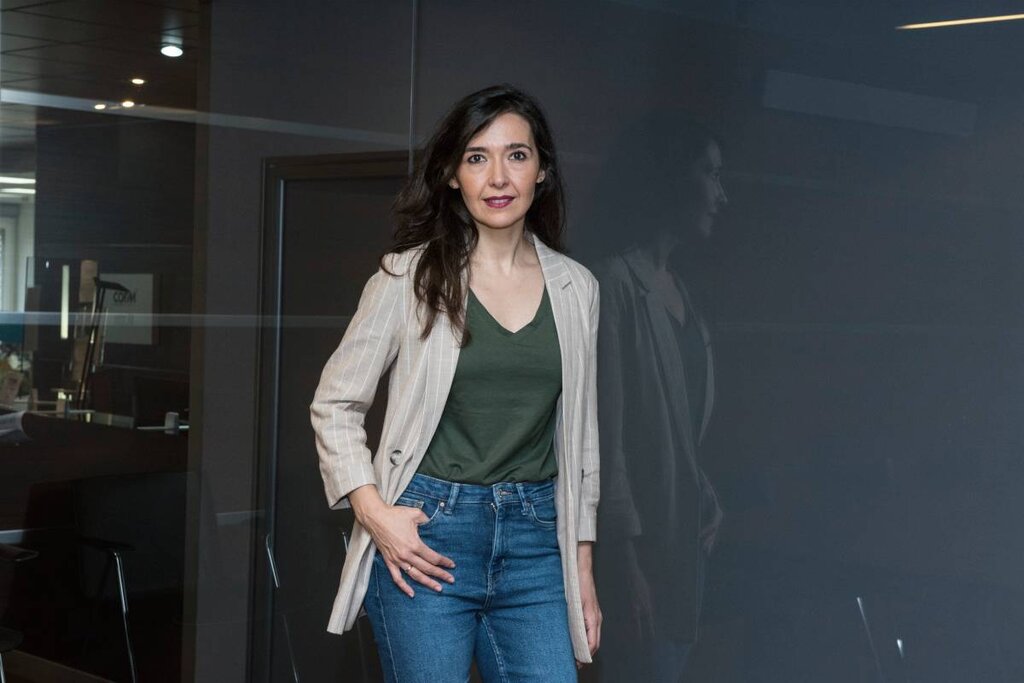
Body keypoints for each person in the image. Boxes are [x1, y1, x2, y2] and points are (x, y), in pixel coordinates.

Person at [310, 84, 601, 683]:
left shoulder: (578, 289)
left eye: (516, 155)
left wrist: (583, 567)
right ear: (451, 175)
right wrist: (375, 514)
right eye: (477, 157)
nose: (498, 175)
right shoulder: (407, 276)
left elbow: (582, 442)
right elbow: (334, 404)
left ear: (541, 169)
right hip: (429, 538)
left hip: (537, 541)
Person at [592, 113, 727, 681]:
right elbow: (603, 439)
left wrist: (703, 490)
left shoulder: (679, 291)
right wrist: (624, 567)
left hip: (679, 545)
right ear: (669, 178)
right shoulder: (613, 286)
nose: (720, 194)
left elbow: (677, 425)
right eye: (709, 174)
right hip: (634, 559)